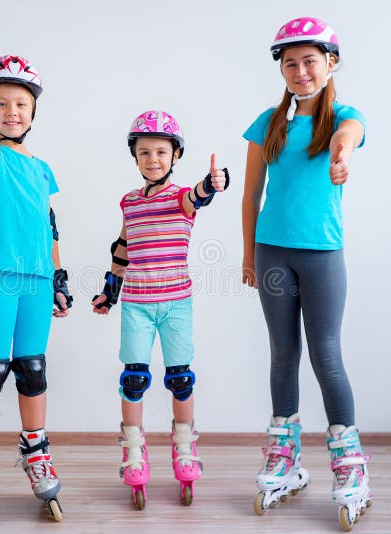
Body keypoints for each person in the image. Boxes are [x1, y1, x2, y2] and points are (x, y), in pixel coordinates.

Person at [241, 17, 372, 530]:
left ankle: (348, 462)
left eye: (309, 61)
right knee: (282, 353)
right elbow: (251, 195)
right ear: (282, 69)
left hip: (321, 255)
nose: (299, 71)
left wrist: (341, 153)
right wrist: (249, 255)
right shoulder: (267, 124)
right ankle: (286, 458)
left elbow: (350, 134)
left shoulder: (344, 115)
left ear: (330, 63)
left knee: (327, 355)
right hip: (273, 254)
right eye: (290, 63)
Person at [91, 110, 228, 509]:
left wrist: (214, 184)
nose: (153, 159)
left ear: (175, 156)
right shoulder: (129, 202)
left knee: (180, 378)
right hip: (136, 304)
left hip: (176, 305)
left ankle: (184, 448)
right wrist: (109, 291)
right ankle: (133, 452)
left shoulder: (180, 197)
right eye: (145, 152)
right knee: (133, 379)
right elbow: (123, 248)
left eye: (161, 152)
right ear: (135, 157)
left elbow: (198, 195)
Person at [0, 55, 71, 525]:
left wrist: (60, 279)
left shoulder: (43, 168)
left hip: (39, 282)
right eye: (0, 103)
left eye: (20, 104)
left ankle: (35, 451)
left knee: (32, 369)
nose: (11, 111)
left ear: (33, 112)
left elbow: (49, 226)